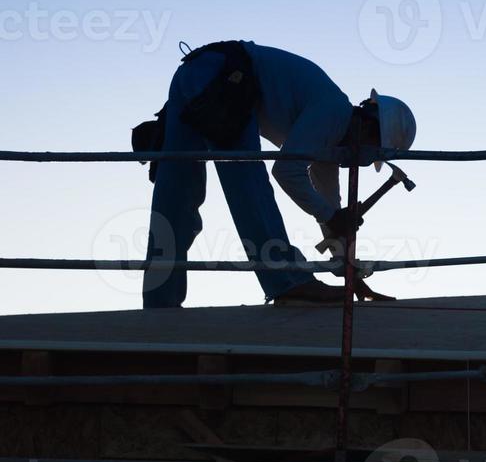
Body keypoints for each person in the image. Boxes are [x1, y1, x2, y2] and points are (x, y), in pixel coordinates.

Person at [141, 41, 415, 308]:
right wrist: (332, 217)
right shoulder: (333, 112)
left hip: (199, 71)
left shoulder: (328, 145)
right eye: (371, 157)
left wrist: (351, 277)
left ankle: (160, 303)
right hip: (227, 76)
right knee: (248, 185)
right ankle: (287, 282)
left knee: (176, 196)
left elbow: (328, 213)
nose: (362, 164)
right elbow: (286, 171)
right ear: (368, 130)